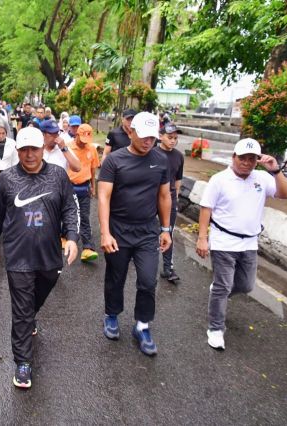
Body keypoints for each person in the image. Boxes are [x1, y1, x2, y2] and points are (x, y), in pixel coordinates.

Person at [0, 127, 79, 389]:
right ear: (18, 151)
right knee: (22, 310)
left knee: (39, 294)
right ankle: (23, 362)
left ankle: (30, 316)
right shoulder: (7, 179)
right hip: (17, 255)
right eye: (24, 149)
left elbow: (69, 209)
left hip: (49, 254)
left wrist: (71, 237)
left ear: (42, 149)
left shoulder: (58, 175)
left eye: (34, 149)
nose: (29, 155)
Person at [196, 138, 287, 350]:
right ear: (234, 157)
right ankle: (215, 328)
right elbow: (206, 208)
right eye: (242, 158)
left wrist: (275, 171)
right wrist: (202, 238)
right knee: (223, 286)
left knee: (246, 285)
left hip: (249, 243)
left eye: (252, 159)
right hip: (224, 241)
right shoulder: (220, 180)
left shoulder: (262, 178)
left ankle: (218, 293)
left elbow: (286, 195)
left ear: (257, 160)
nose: (247, 163)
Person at [98, 111, 172, 356]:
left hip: (147, 231)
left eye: (153, 137)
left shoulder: (161, 160)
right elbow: (104, 197)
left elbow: (164, 195)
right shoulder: (114, 161)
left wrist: (165, 229)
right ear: (131, 132)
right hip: (119, 229)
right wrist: (105, 233)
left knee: (148, 280)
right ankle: (112, 314)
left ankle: (142, 324)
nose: (148, 141)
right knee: (116, 276)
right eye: (144, 136)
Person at [155, 123, 184, 283]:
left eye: (175, 138)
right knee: (150, 231)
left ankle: (168, 268)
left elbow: (178, 180)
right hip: (152, 198)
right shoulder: (152, 153)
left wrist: (175, 199)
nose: (173, 141)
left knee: (168, 232)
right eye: (170, 137)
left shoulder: (179, 156)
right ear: (161, 137)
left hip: (170, 199)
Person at [68, 123, 100, 262]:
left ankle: (88, 247)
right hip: (69, 187)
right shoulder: (68, 147)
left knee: (85, 217)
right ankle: (65, 239)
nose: (84, 143)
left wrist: (93, 187)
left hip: (84, 188)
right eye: (82, 139)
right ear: (76, 135)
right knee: (68, 216)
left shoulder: (92, 148)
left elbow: (93, 170)